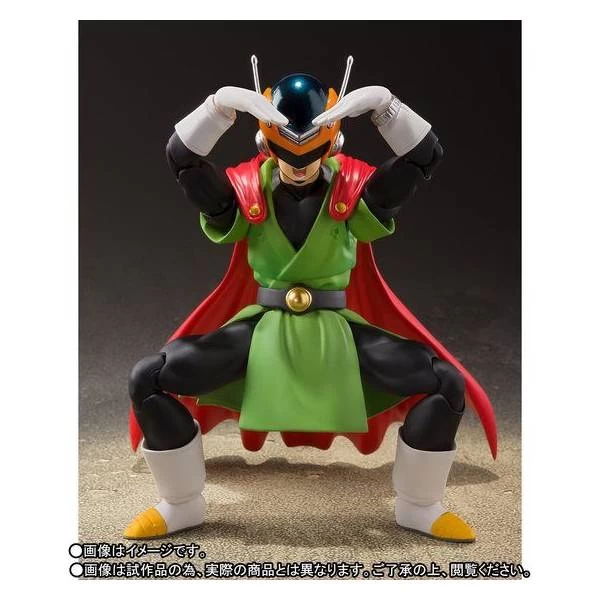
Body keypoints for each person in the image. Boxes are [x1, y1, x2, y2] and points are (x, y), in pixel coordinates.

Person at [125, 57, 496, 543]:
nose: (298, 166)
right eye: (286, 155)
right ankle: (180, 502)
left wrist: (387, 108)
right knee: (149, 377)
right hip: (263, 329)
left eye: (311, 154)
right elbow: (183, 161)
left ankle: (420, 505)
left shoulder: (352, 192)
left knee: (445, 382)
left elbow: (423, 157)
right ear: (266, 144)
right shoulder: (248, 191)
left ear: (332, 143)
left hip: (336, 331)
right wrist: (216, 109)